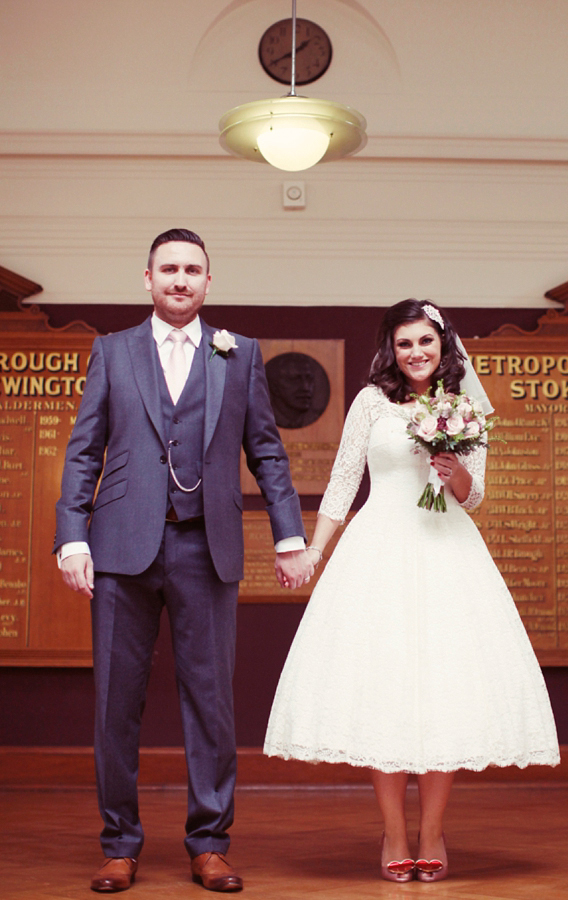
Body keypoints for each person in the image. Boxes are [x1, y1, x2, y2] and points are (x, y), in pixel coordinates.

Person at [264, 299, 560, 884]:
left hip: (445, 548)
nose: (416, 352)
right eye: (404, 344)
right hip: (379, 549)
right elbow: (345, 478)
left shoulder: (462, 405)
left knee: (443, 690)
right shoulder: (372, 402)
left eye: (425, 341)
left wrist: (456, 471)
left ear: (441, 344)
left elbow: (474, 499)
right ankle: (394, 833)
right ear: (391, 350)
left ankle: (431, 832)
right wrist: (315, 551)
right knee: (385, 689)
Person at [54, 228, 313, 893]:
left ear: (207, 281)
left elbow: (267, 452)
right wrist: (72, 536)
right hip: (119, 550)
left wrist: (290, 538)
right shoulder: (112, 352)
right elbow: (85, 450)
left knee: (211, 704)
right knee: (116, 705)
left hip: (206, 547)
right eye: (168, 268)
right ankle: (119, 844)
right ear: (147, 278)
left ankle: (210, 844)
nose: (180, 279)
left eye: (192, 270)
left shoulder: (239, 353)